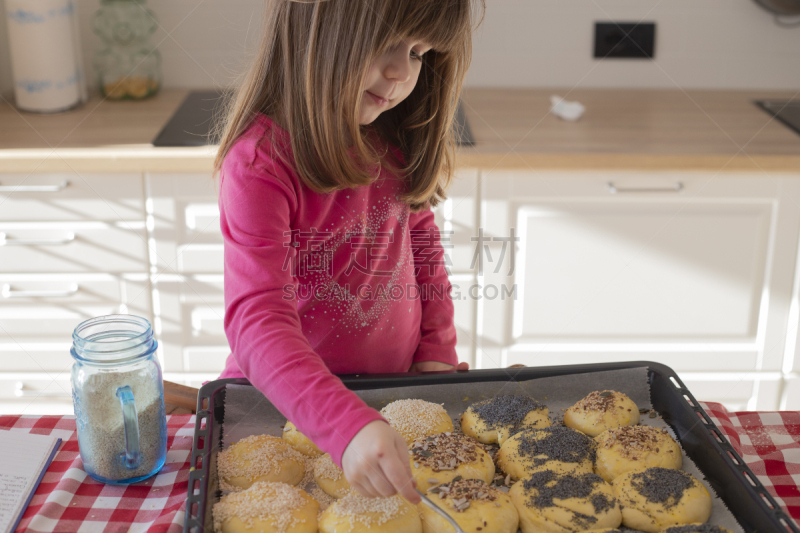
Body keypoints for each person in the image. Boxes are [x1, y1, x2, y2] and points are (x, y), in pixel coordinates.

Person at [214, 0, 483, 504]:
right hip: (281, 409)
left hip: (391, 395)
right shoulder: (260, 163)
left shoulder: (394, 138)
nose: (403, 71)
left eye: (420, 52)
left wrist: (437, 353)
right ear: (315, 30)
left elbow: (422, 248)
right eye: (386, 42)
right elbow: (256, 321)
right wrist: (346, 426)